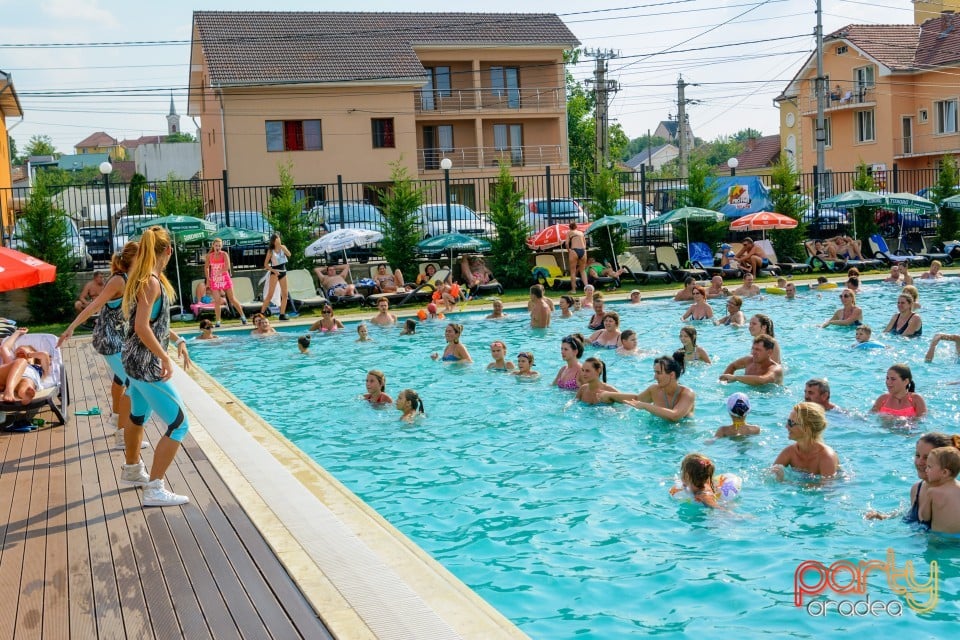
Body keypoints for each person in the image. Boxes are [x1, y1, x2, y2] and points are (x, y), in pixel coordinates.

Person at [119, 226, 192, 507]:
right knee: (179, 423)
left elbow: (155, 324)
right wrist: (164, 356)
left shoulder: (146, 278)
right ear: (168, 252)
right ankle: (155, 488)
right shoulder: (150, 281)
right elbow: (141, 327)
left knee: (138, 415)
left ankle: (132, 469)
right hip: (145, 363)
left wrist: (178, 340)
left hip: (133, 362)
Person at [59, 243, 141, 450]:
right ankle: (122, 434)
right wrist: (71, 328)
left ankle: (116, 418)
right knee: (133, 383)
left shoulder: (133, 278)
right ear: (134, 259)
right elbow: (94, 306)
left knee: (120, 379)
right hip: (109, 340)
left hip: (121, 339)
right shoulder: (117, 280)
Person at [866, 432, 955, 523]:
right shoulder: (917, 489)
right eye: (917, 455)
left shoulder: (951, 496)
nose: (919, 462)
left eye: (927, 457)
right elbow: (909, 516)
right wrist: (883, 517)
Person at [598, 351, 695, 422]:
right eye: (654, 372)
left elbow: (675, 415)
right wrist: (609, 395)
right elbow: (636, 399)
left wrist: (645, 406)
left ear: (672, 375)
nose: (655, 377)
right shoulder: (654, 390)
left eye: (658, 373)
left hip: (682, 436)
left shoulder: (687, 393)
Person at [771, 402, 839, 480]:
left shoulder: (826, 457)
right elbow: (768, 475)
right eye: (787, 421)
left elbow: (827, 489)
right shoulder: (790, 452)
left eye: (791, 423)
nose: (786, 426)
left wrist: (785, 482)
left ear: (807, 429)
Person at [204, 237, 247, 326]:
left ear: (221, 246)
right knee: (217, 301)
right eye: (216, 245)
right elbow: (206, 267)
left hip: (224, 278)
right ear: (213, 246)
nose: (218, 247)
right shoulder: (209, 256)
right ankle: (218, 321)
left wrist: (218, 272)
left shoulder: (224, 254)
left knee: (232, 299)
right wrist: (208, 278)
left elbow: (227, 267)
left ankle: (243, 316)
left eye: (219, 246)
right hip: (215, 280)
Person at [918, 444, 960, 534]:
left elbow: (925, 517)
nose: (926, 470)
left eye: (929, 467)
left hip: (940, 540)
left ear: (944, 472)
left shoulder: (933, 492)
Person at [260, 233, 291, 320]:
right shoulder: (271, 251)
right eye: (277, 239)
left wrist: (283, 248)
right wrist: (273, 271)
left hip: (283, 271)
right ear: (274, 241)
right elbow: (265, 264)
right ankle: (262, 313)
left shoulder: (282, 247)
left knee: (285, 294)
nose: (279, 240)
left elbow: (289, 254)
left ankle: (282, 314)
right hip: (275, 272)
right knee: (270, 294)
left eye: (279, 239)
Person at [564, 221, 588, 293]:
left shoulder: (569, 233)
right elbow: (585, 243)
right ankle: (587, 288)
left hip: (574, 250)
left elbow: (566, 243)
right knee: (583, 271)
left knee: (573, 271)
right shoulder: (581, 233)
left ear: (569, 227)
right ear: (576, 227)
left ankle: (574, 290)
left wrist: (569, 251)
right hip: (583, 251)